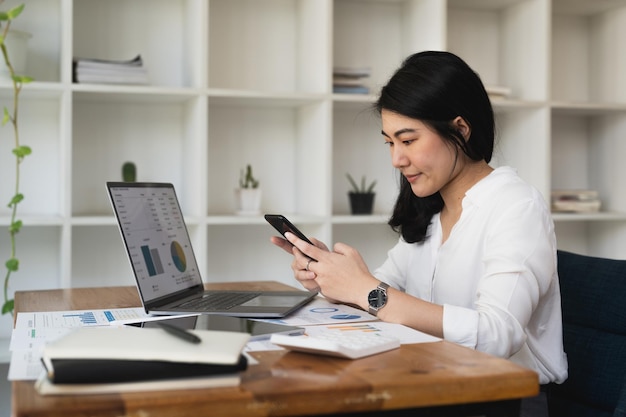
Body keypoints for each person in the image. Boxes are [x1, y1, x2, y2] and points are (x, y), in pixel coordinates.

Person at [270, 51, 567, 415]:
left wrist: (366, 289)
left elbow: (497, 333)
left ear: (460, 129)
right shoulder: (430, 211)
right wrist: (332, 277)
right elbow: (381, 298)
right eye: (389, 143)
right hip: (435, 384)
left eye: (408, 141)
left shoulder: (517, 207)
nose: (396, 159)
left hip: (503, 398)